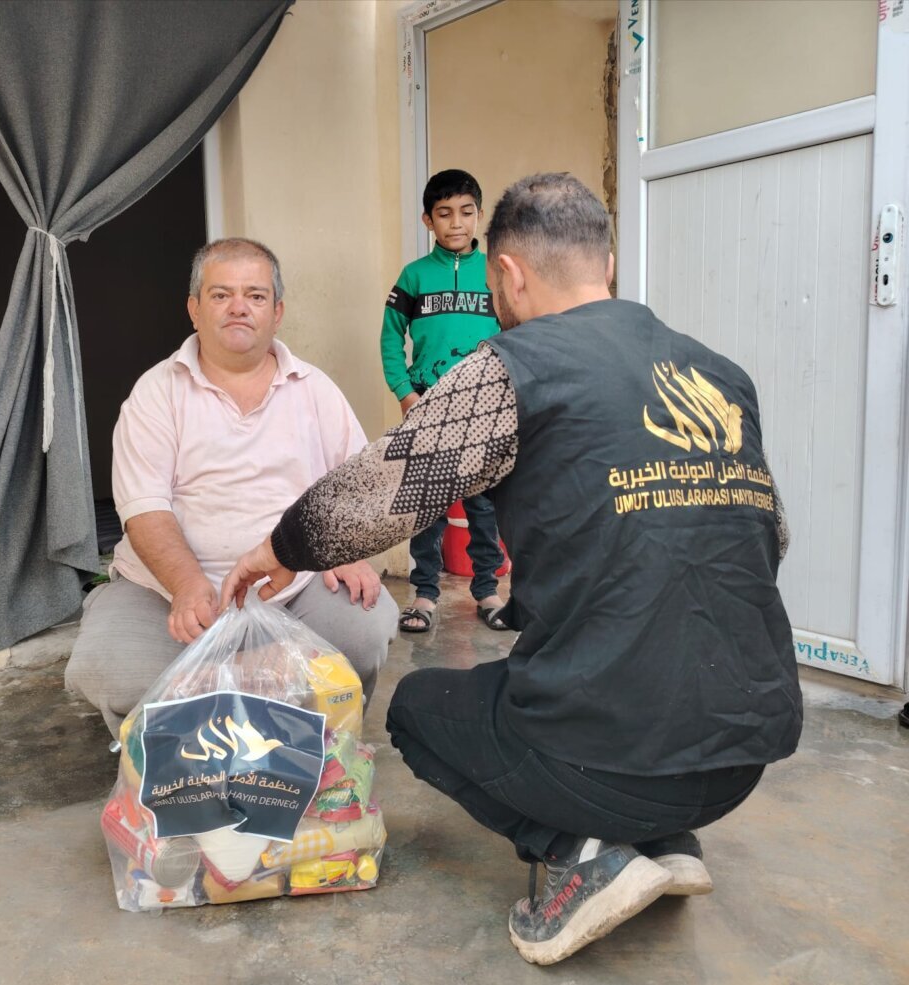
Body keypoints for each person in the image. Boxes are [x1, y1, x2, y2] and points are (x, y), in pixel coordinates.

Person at [220, 175, 803, 965]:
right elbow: (770, 541)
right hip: (743, 750)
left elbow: (378, 496)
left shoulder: (516, 365)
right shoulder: (720, 373)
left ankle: (585, 849)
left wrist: (275, 549)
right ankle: (666, 841)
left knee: (422, 705)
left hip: (612, 758)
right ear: (605, 263)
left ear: (509, 274)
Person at [65, 238, 398, 738]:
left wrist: (344, 547)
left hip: (294, 587)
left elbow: (359, 486)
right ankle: (185, 771)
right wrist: (186, 586)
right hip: (168, 592)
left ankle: (316, 758)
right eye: (221, 295)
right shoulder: (156, 393)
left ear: (278, 311)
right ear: (194, 309)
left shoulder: (315, 389)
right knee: (109, 667)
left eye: (256, 296)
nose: (239, 307)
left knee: (365, 628)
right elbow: (144, 508)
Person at [381, 169, 509, 633]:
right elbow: (390, 339)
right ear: (427, 221)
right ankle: (424, 596)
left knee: (483, 506)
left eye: (466, 212)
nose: (456, 222)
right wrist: (404, 392)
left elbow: (518, 330)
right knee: (427, 509)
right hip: (427, 410)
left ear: (479, 215)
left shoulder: (496, 271)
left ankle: (488, 592)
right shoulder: (413, 277)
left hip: (483, 409)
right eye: (444, 214)